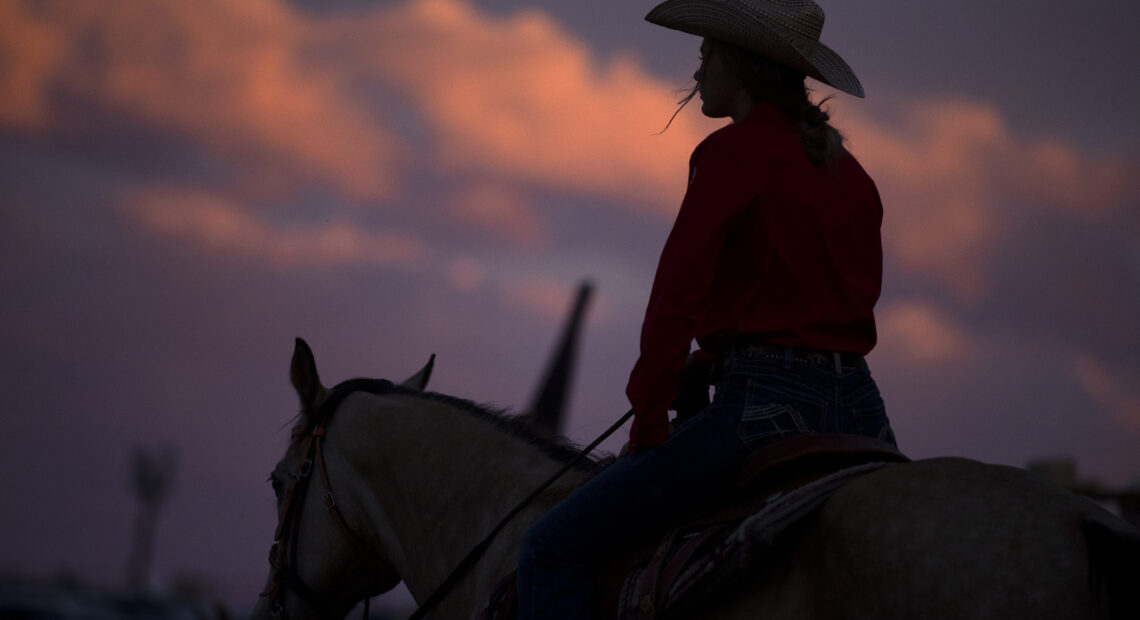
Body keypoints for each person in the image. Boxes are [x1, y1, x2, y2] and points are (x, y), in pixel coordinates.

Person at [517, 1, 896, 617]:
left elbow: (677, 295)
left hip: (761, 410)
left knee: (549, 549)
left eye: (704, 57)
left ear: (737, 67)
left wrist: (649, 415)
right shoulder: (851, 172)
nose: (695, 75)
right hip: (861, 412)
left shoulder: (729, 154)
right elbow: (831, 298)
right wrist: (717, 357)